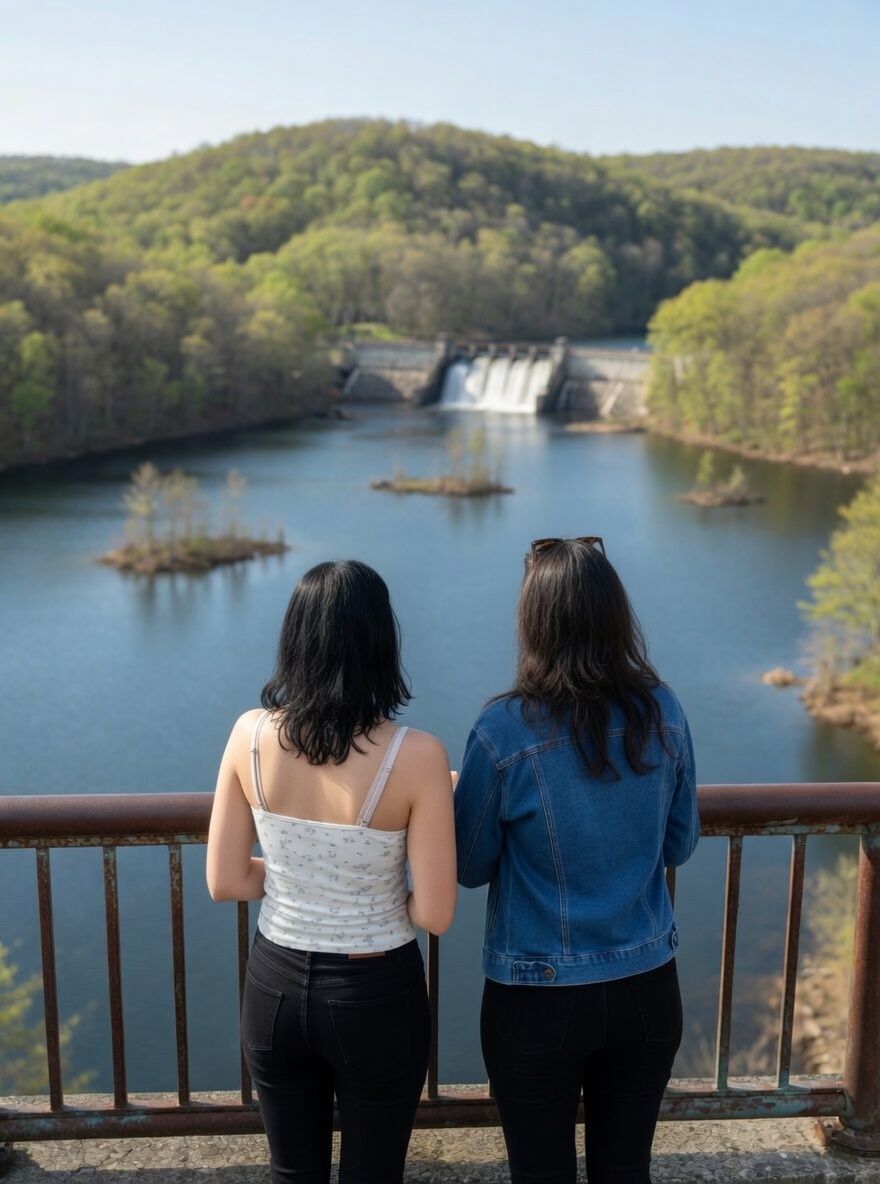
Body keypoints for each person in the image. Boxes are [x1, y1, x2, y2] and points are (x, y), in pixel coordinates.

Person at [454, 536, 699, 1184]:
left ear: (533, 621)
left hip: (537, 996)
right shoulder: (664, 713)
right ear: (615, 616)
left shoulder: (503, 731)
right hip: (647, 983)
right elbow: (680, 843)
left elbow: (470, 864)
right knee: (624, 1171)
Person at [207, 559, 457, 1184]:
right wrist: (361, 880)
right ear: (381, 643)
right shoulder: (417, 756)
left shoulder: (248, 736)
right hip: (375, 996)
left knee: (293, 1173)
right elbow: (435, 913)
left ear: (294, 639)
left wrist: (300, 873)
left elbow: (226, 881)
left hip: (274, 989)